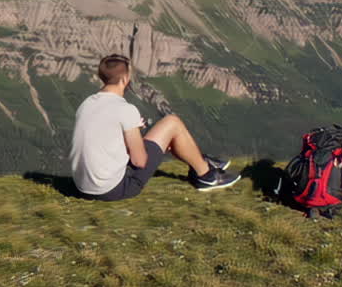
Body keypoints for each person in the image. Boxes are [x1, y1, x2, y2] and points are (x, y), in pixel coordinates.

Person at [70, 54, 240, 200]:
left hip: (82, 186)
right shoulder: (125, 109)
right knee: (172, 122)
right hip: (114, 189)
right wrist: (155, 147)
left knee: (165, 134)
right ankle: (206, 176)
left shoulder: (87, 104)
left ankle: (200, 161)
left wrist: (134, 133)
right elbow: (139, 161)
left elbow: (103, 140)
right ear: (124, 79)